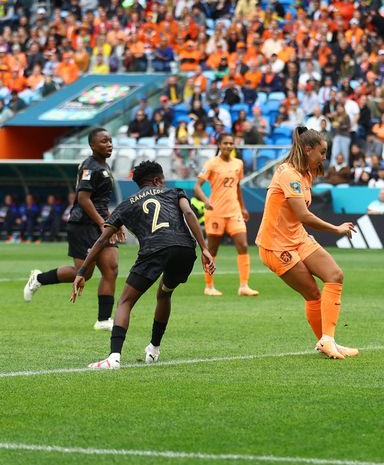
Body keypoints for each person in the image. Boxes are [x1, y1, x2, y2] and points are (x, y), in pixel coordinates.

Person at [71, 161, 214, 369]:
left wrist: (82, 271)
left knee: (125, 302)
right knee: (165, 293)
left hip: (154, 250)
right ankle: (154, 348)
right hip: (184, 249)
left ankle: (114, 357)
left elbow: (102, 240)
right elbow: (189, 214)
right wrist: (205, 249)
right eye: (162, 180)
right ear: (157, 180)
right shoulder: (175, 192)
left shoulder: (128, 203)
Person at [255, 127, 358, 360]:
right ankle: (326, 341)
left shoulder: (306, 173)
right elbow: (304, 215)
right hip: (276, 245)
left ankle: (328, 340)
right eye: (321, 152)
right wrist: (336, 229)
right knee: (313, 293)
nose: (324, 157)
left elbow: (299, 220)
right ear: (307, 149)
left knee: (335, 275)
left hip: (297, 238)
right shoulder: (288, 174)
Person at [24, 128, 121, 330]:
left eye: (110, 140)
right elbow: (83, 199)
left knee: (111, 269)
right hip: (83, 225)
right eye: (104, 141)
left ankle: (103, 320)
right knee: (83, 273)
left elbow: (100, 201)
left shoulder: (104, 165)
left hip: (101, 223)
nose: (109, 144)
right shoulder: (89, 166)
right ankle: (39, 278)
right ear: (93, 146)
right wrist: (101, 223)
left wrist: (114, 222)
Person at [193, 133, 259, 297]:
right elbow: (197, 187)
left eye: (231, 143)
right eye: (225, 143)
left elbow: (237, 187)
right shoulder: (211, 163)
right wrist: (206, 201)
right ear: (219, 145)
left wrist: (243, 207)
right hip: (216, 212)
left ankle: (244, 286)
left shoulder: (238, 163)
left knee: (243, 245)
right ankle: (209, 286)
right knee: (213, 249)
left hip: (234, 211)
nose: (228, 146)